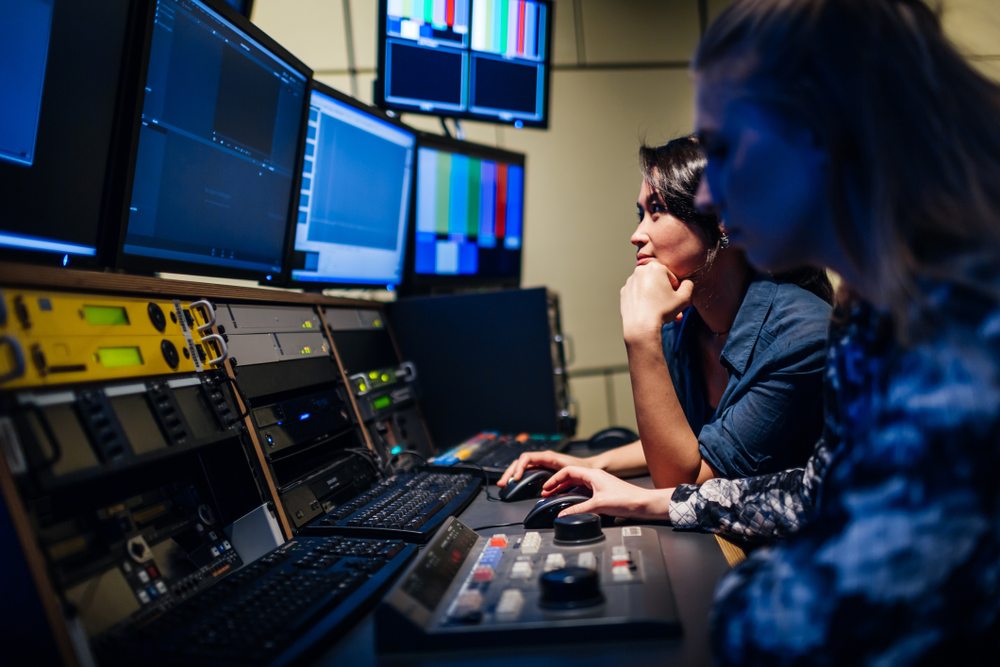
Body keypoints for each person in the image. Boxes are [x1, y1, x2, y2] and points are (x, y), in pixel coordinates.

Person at [544, 0, 1000, 661]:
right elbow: (816, 491)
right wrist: (664, 506)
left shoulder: (965, 323)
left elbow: (808, 623)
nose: (707, 197)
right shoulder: (869, 312)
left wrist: (731, 581)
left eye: (727, 146)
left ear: (824, 130)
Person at [499, 136, 833, 491]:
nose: (637, 234)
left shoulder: (802, 336)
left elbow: (682, 483)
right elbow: (688, 446)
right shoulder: (690, 327)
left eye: (657, 210)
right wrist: (590, 463)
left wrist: (641, 335)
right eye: (641, 213)